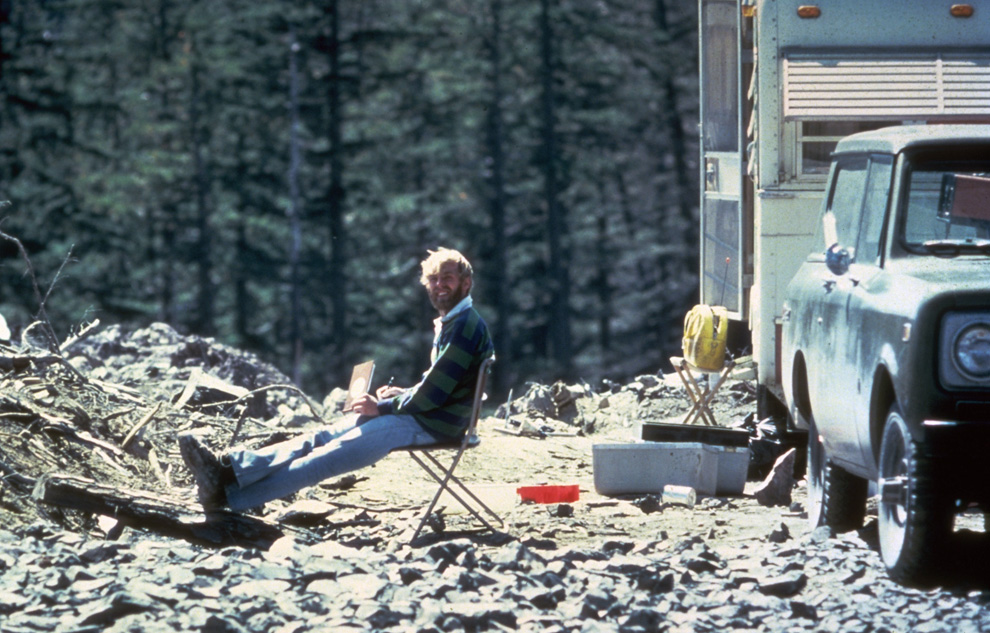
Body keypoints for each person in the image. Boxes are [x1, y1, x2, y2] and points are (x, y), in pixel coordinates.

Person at [179, 247, 495, 512]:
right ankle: (228, 470)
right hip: (431, 415)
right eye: (434, 279)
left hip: (437, 423)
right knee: (321, 438)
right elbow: (440, 383)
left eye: (448, 279)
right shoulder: (456, 320)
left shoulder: (465, 325)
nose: (439, 285)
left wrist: (383, 407)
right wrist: (400, 394)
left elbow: (435, 393)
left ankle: (226, 497)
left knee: (327, 457)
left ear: (466, 284)